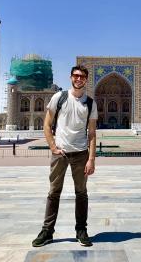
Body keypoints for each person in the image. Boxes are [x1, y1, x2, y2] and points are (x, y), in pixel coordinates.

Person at [32, 65, 98, 248]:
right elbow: (47, 124)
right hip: (60, 153)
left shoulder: (90, 103)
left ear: (86, 80)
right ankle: (47, 231)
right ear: (71, 77)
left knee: (81, 193)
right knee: (54, 192)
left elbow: (92, 133)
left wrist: (91, 159)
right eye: (76, 76)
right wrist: (53, 146)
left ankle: (81, 230)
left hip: (80, 153)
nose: (79, 79)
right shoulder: (58, 98)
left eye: (82, 77)